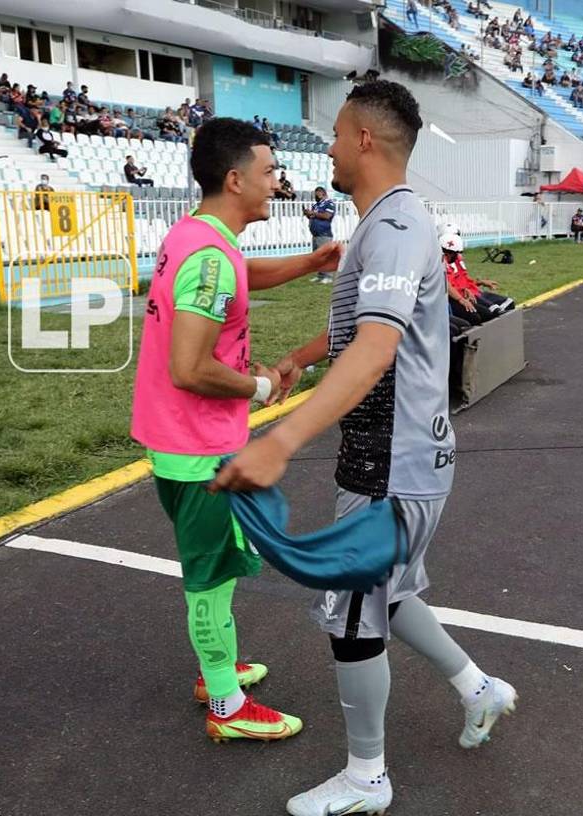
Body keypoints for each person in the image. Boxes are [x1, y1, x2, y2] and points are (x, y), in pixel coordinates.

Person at [212, 81, 516, 816]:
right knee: (393, 592)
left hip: (391, 461)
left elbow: (378, 349)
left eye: (338, 133)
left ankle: (366, 779)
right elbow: (366, 328)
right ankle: (480, 689)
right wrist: (298, 357)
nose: (330, 146)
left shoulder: (396, 227)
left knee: (352, 613)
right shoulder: (386, 223)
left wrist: (280, 441)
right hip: (399, 456)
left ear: (366, 142)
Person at [131, 116, 341, 747]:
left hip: (181, 437)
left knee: (217, 567)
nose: (277, 182)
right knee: (211, 574)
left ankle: (216, 670)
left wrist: (309, 262)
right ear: (234, 178)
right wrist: (261, 387)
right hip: (199, 447)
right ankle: (225, 703)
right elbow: (190, 368)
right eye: (270, 171)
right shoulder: (209, 258)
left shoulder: (199, 237)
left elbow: (240, 276)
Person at [303, 185, 336, 283]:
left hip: (324, 233)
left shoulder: (329, 203)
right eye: (315, 194)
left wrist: (313, 213)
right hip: (315, 234)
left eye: (317, 194)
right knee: (318, 257)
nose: (315, 196)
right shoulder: (316, 205)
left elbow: (327, 216)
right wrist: (308, 214)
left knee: (325, 256)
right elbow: (313, 217)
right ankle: (320, 275)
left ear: (323, 193)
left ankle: (328, 277)